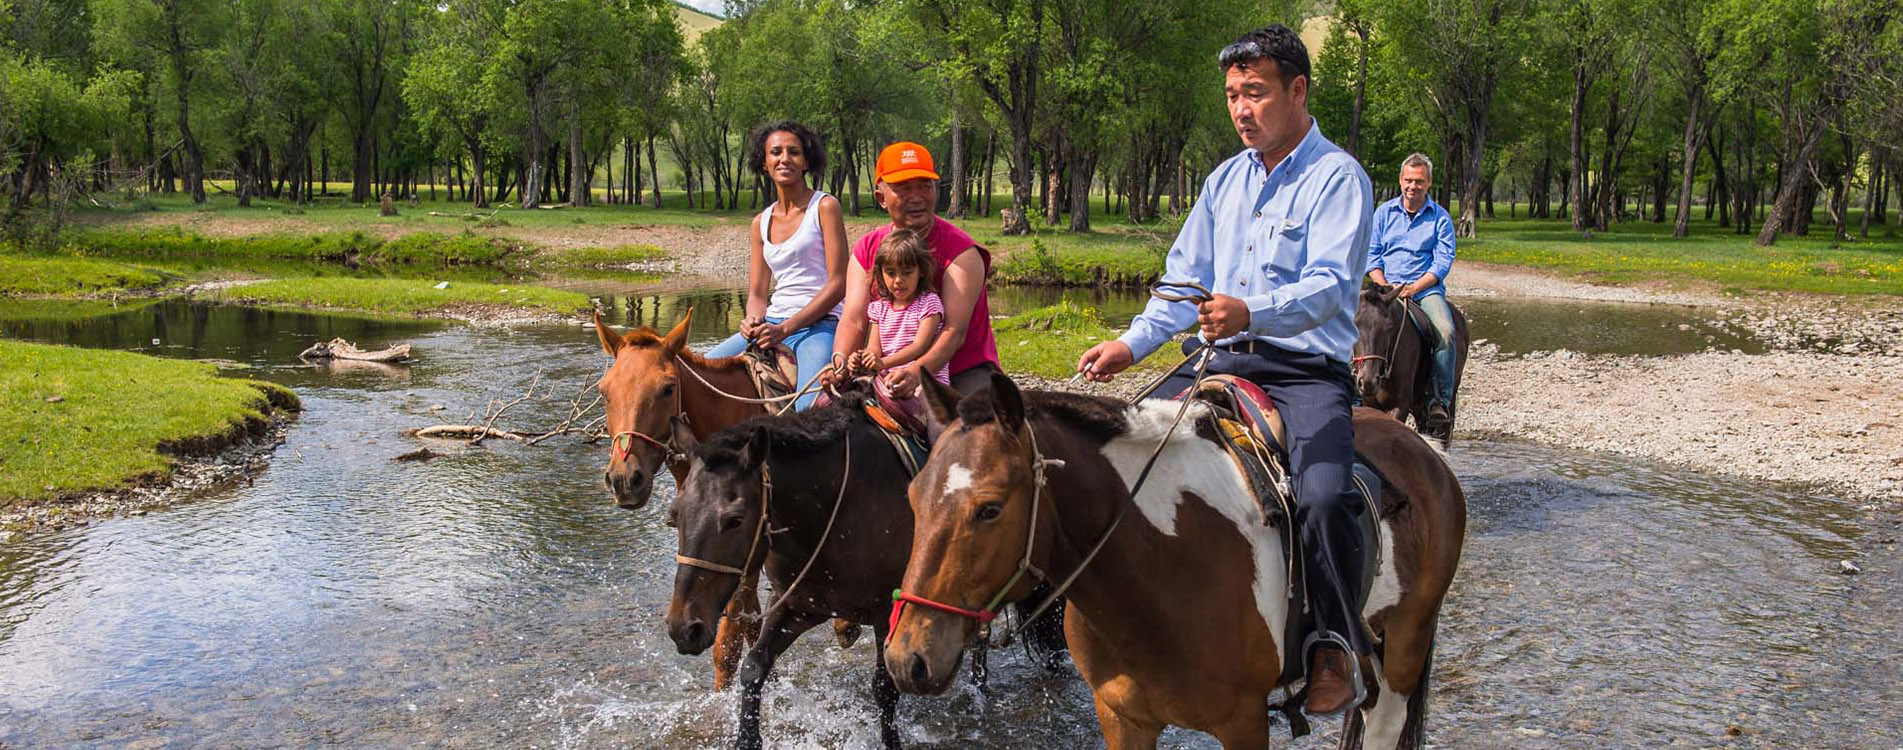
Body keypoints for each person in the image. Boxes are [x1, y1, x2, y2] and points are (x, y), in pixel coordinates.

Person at [1073, 25, 1374, 717]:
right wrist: (1131, 344)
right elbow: (1181, 283)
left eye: (1256, 93)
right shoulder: (1224, 178)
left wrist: (1251, 313)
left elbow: (1331, 287)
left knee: (1325, 495)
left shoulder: (1338, 177)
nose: (1242, 109)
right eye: (1234, 95)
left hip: (1303, 372)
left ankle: (1333, 642)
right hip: (1216, 359)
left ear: (1296, 91)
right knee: (1117, 458)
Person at [824, 142, 1000, 397]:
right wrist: (840, 363)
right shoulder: (867, 249)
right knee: (823, 414)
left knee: (971, 428)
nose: (916, 196)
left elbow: (954, 332)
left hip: (962, 369)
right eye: (904, 188)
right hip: (887, 367)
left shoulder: (962, 252)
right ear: (881, 198)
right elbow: (853, 319)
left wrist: (916, 373)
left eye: (924, 186)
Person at [705, 121, 848, 411]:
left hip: (820, 326)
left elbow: (838, 283)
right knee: (699, 373)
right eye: (776, 152)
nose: (785, 159)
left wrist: (785, 329)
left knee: (806, 409)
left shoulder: (824, 207)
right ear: (764, 162)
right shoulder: (760, 222)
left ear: (806, 161)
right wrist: (752, 321)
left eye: (794, 152)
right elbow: (758, 293)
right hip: (773, 322)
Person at [1366, 152, 1458, 428]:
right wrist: (1382, 283)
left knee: (1446, 331)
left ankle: (1438, 400)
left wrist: (1414, 287)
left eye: (1419, 181)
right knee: (1351, 325)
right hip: (1385, 287)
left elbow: (1443, 261)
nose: (1412, 187)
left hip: (1424, 290)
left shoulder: (1440, 218)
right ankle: (1352, 388)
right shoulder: (1383, 213)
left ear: (1429, 183)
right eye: (1408, 180)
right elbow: (1371, 255)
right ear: (1400, 179)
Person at [850, 228, 950, 386]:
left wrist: (883, 363)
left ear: (921, 271)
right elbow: (874, 347)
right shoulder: (879, 308)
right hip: (888, 379)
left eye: (907, 273)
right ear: (880, 273)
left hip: (924, 382)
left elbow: (920, 346)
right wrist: (865, 359)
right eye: (890, 273)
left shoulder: (929, 303)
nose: (898, 280)